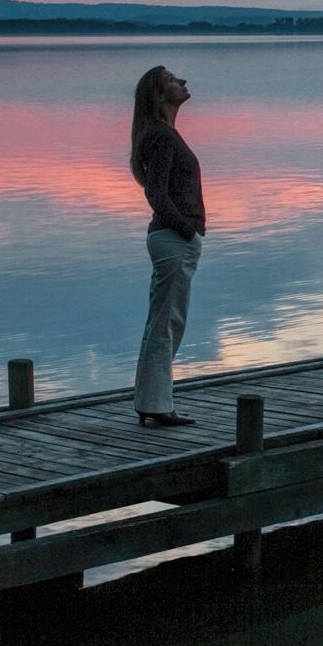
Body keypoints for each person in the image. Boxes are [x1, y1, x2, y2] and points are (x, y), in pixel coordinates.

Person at [128, 65, 205, 427]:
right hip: (173, 240)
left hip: (175, 239)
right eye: (174, 80)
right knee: (167, 323)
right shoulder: (161, 137)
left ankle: (151, 401)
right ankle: (157, 405)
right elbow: (156, 193)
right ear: (159, 96)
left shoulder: (165, 134)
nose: (183, 81)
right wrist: (188, 230)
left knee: (164, 322)